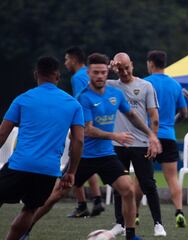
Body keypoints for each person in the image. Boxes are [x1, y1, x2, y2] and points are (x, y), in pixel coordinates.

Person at [22, 53, 162, 240]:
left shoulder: (115, 94)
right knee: (56, 194)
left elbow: (132, 117)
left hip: (106, 156)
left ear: (107, 72)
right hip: (85, 156)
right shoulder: (84, 98)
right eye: (95, 72)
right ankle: (25, 228)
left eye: (103, 72)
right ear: (88, 73)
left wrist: (151, 134)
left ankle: (130, 235)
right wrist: (114, 135)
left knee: (127, 189)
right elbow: (88, 130)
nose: (100, 76)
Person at [0, 56, 84, 240]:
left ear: (36, 74)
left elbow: (2, 134)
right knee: (29, 209)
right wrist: (71, 172)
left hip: (19, 165)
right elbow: (78, 141)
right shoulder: (73, 104)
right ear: (58, 76)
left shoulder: (23, 99)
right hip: (48, 171)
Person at [106, 52, 166, 237]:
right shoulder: (110, 85)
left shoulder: (146, 86)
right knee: (119, 186)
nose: (124, 72)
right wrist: (107, 69)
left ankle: (158, 223)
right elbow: (87, 85)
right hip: (119, 144)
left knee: (148, 183)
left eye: (126, 67)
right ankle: (120, 224)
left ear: (132, 64)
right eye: (120, 68)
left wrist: (153, 140)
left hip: (141, 144)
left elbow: (154, 117)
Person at [145, 50, 188, 228]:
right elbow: (185, 113)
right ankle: (179, 211)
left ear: (151, 63)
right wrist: (171, 122)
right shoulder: (175, 85)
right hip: (168, 137)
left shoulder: (144, 83)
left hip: (148, 137)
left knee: (142, 177)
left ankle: (136, 215)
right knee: (172, 178)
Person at [64, 46, 104, 218]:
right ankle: (96, 200)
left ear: (73, 59)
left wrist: (76, 129)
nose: (65, 63)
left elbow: (83, 103)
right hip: (95, 125)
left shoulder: (79, 77)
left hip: (85, 126)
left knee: (76, 163)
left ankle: (83, 204)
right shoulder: (89, 73)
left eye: (66, 59)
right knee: (85, 163)